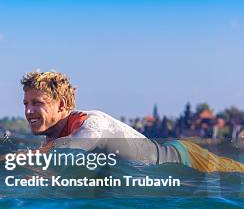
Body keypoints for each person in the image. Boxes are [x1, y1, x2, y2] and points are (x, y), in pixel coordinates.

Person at [21, 70, 243, 173]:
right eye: (25, 104)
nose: (29, 111)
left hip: (186, 158)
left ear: (61, 105)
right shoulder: (53, 136)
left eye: (37, 103)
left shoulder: (93, 124)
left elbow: (73, 149)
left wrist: (13, 160)